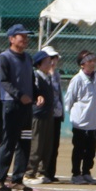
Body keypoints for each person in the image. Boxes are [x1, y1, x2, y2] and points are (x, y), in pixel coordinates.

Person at [0, 24, 36, 191]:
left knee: (24, 142)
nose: (25, 39)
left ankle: (17, 179)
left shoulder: (28, 58)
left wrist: (36, 94)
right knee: (8, 142)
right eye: (21, 36)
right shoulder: (4, 57)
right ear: (11, 39)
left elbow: (31, 80)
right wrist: (19, 95)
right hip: (11, 104)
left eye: (26, 36)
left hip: (26, 106)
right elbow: (4, 81)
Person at [64, 50, 96, 185]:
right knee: (79, 149)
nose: (93, 63)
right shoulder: (77, 79)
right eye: (89, 61)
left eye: (94, 61)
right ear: (82, 64)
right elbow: (69, 100)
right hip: (80, 121)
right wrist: (74, 115)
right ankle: (76, 174)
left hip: (93, 121)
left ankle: (86, 172)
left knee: (91, 150)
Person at [27, 47, 63, 183]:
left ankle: (42, 172)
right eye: (47, 62)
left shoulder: (49, 76)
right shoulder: (36, 76)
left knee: (47, 146)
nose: (51, 64)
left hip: (49, 114)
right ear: (39, 64)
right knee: (36, 144)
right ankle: (29, 172)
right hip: (38, 115)